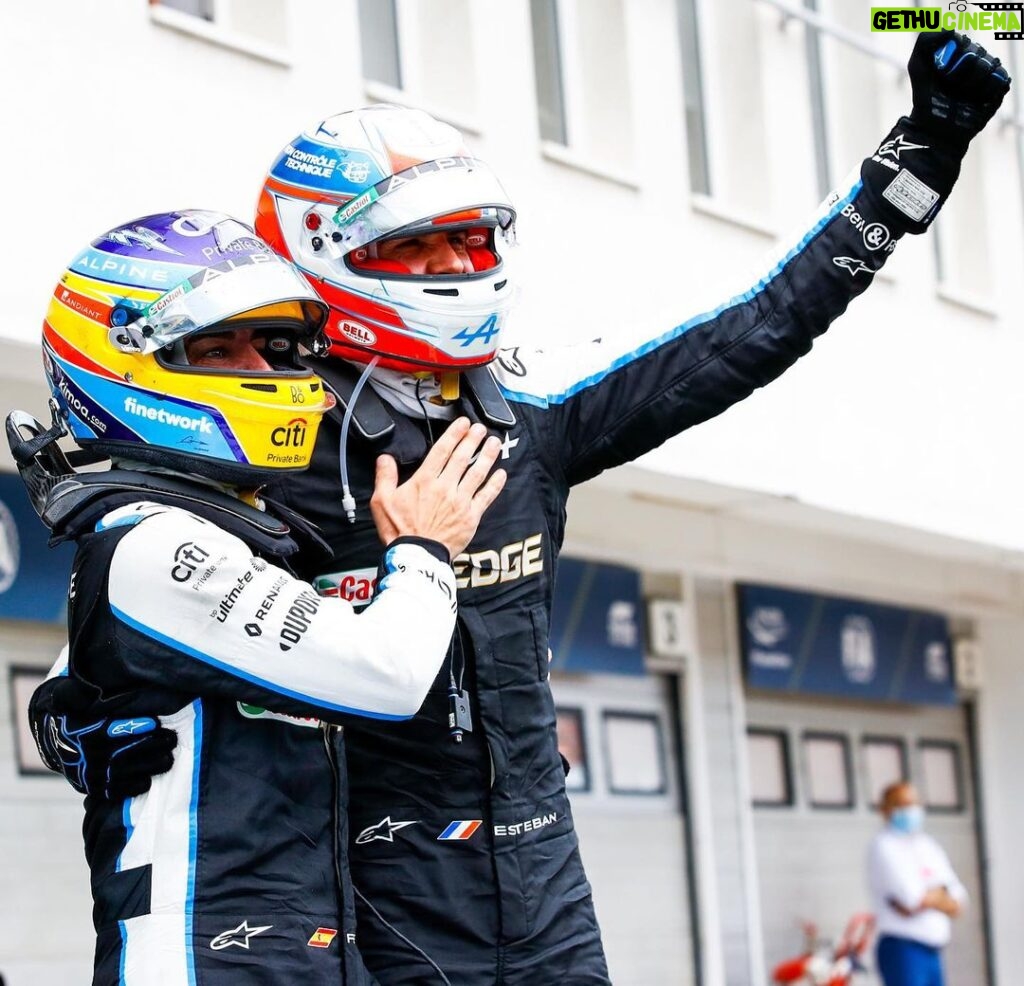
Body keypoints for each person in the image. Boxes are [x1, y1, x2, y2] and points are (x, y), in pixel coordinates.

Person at [32, 30, 1009, 985]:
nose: (458, 266)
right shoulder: (262, 438)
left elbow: (748, 327)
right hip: (373, 898)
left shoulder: (533, 407)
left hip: (545, 878)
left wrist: (911, 166)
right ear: (324, 249)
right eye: (422, 246)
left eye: (472, 238)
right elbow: (130, 596)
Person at [12, 210, 505, 984]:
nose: (264, 370)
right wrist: (424, 549)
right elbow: (388, 672)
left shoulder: (184, 545)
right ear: (127, 365)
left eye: (274, 349)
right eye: (217, 348)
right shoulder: (149, 544)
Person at [868, 782, 967, 986]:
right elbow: (912, 898)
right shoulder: (884, 846)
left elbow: (959, 899)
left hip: (932, 950)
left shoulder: (927, 845)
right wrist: (940, 893)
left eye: (914, 804)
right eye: (902, 805)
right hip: (903, 950)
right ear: (886, 810)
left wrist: (930, 898)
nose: (910, 810)